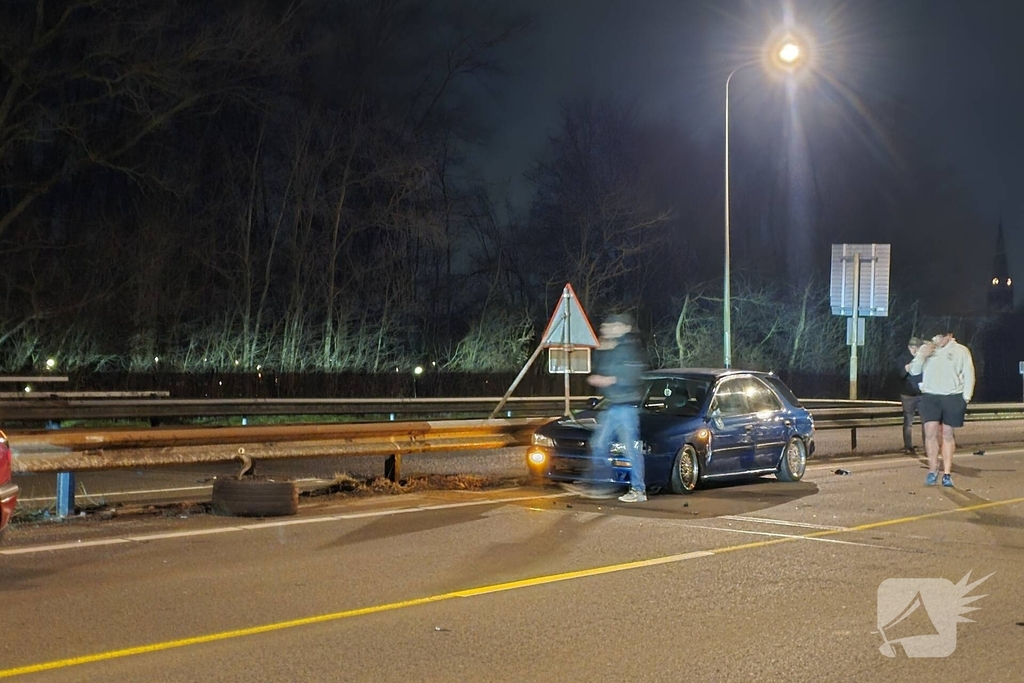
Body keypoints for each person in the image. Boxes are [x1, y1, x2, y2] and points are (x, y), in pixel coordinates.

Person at [586, 313, 648, 503]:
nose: (606, 328)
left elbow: (633, 375)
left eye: (612, 326)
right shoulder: (611, 348)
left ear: (624, 327)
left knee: (630, 449)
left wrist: (609, 380)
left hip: (626, 407)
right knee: (598, 444)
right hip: (613, 406)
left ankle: (638, 490)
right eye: (606, 326)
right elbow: (601, 369)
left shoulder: (629, 348)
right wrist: (603, 351)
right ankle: (602, 484)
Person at [910, 328, 975, 487]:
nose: (937, 339)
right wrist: (922, 355)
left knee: (947, 433)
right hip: (930, 396)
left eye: (941, 336)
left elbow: (969, 374)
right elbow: (913, 371)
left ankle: (947, 472)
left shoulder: (961, 351)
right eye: (935, 335)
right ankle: (933, 470)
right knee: (930, 432)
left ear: (950, 335)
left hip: (952, 396)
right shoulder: (927, 349)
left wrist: (966, 397)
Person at [898, 337, 925, 454]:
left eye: (917, 348)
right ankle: (908, 446)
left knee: (926, 422)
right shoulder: (903, 358)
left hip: (922, 395)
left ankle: (928, 446)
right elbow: (899, 375)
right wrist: (905, 369)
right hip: (907, 395)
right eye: (913, 348)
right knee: (908, 422)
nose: (915, 350)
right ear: (909, 347)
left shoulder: (923, 359)